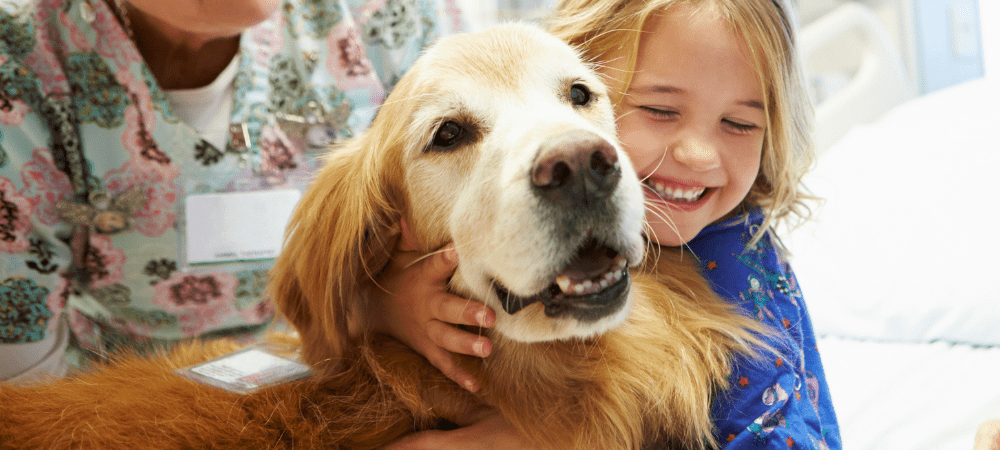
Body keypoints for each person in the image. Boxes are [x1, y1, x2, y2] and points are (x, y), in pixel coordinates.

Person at [371, 0, 842, 448]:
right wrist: (388, 301)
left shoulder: (742, 269)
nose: (698, 155)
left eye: (739, 124)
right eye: (659, 110)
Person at [0, 0, 461, 382]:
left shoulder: (388, 20)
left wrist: (381, 307)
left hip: (356, 364)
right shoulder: (22, 60)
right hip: (113, 395)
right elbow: (22, 376)